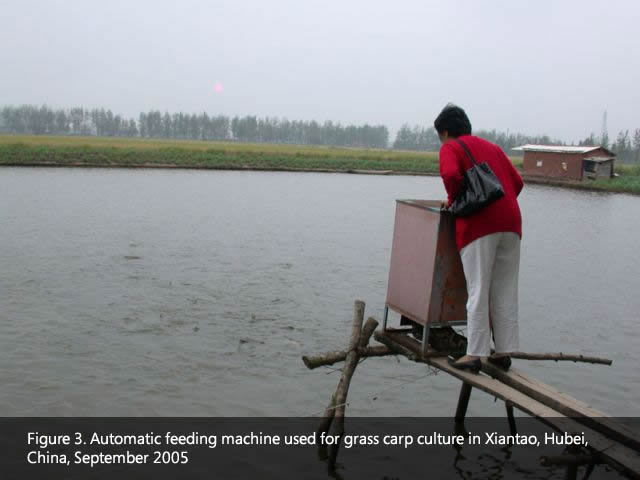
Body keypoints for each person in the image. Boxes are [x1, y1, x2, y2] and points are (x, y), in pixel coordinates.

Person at [434, 104, 523, 373]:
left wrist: (454, 201)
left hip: (479, 226)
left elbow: (451, 174)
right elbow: (517, 182)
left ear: (445, 132)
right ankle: (503, 352)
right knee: (504, 288)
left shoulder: (451, 147)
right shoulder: (493, 148)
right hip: (511, 223)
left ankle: (474, 354)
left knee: (478, 288)